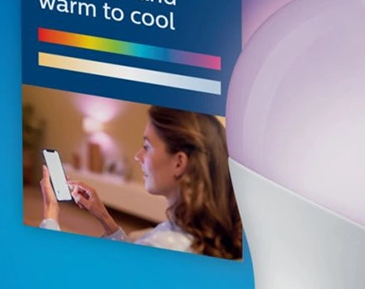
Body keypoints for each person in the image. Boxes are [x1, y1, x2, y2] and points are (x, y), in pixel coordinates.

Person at [40, 108, 242, 258]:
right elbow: (131, 264)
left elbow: (60, 278)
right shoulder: (202, 231)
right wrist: (104, 218)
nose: (138, 156)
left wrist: (51, 212)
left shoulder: (160, 246)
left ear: (179, 162)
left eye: (147, 146)